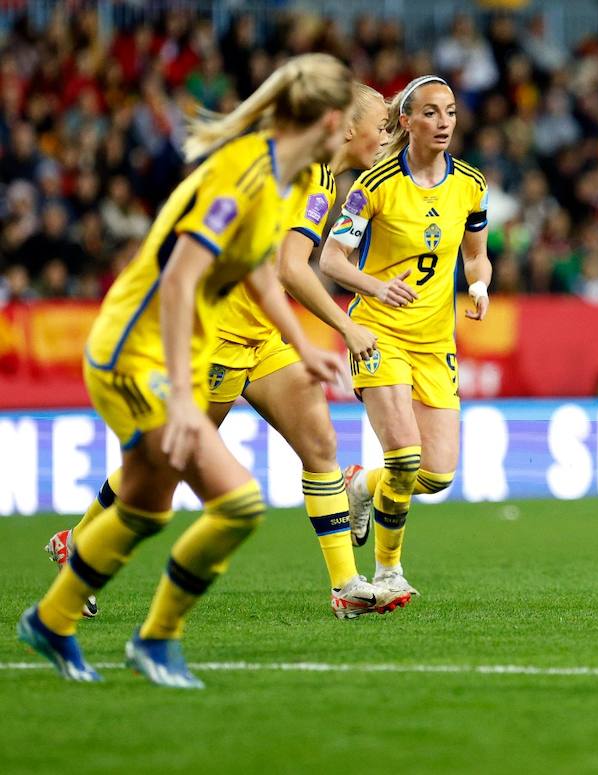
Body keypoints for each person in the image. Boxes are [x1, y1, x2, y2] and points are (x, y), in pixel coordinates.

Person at [17, 53, 353, 688]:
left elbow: (256, 267)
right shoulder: (244, 174)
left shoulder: (288, 176)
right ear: (333, 120)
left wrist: (300, 343)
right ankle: (155, 641)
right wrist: (176, 396)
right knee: (237, 504)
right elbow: (178, 284)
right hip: (132, 355)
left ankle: (53, 619)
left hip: (166, 355)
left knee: (144, 508)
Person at [45, 83, 407, 620]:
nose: (387, 137)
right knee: (162, 463)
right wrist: (343, 327)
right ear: (347, 128)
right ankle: (76, 544)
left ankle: (346, 585)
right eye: (381, 126)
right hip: (219, 334)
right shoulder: (312, 179)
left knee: (320, 442)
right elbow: (289, 267)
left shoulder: (317, 172)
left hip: (260, 336)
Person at [319, 75, 492, 599]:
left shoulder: (471, 185)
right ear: (406, 121)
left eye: (451, 113)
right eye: (432, 113)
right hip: (379, 333)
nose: (444, 123)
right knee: (405, 458)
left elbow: (476, 254)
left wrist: (480, 285)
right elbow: (330, 259)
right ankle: (388, 571)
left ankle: (358, 486)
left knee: (437, 476)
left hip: (436, 341)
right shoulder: (372, 185)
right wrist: (376, 288)